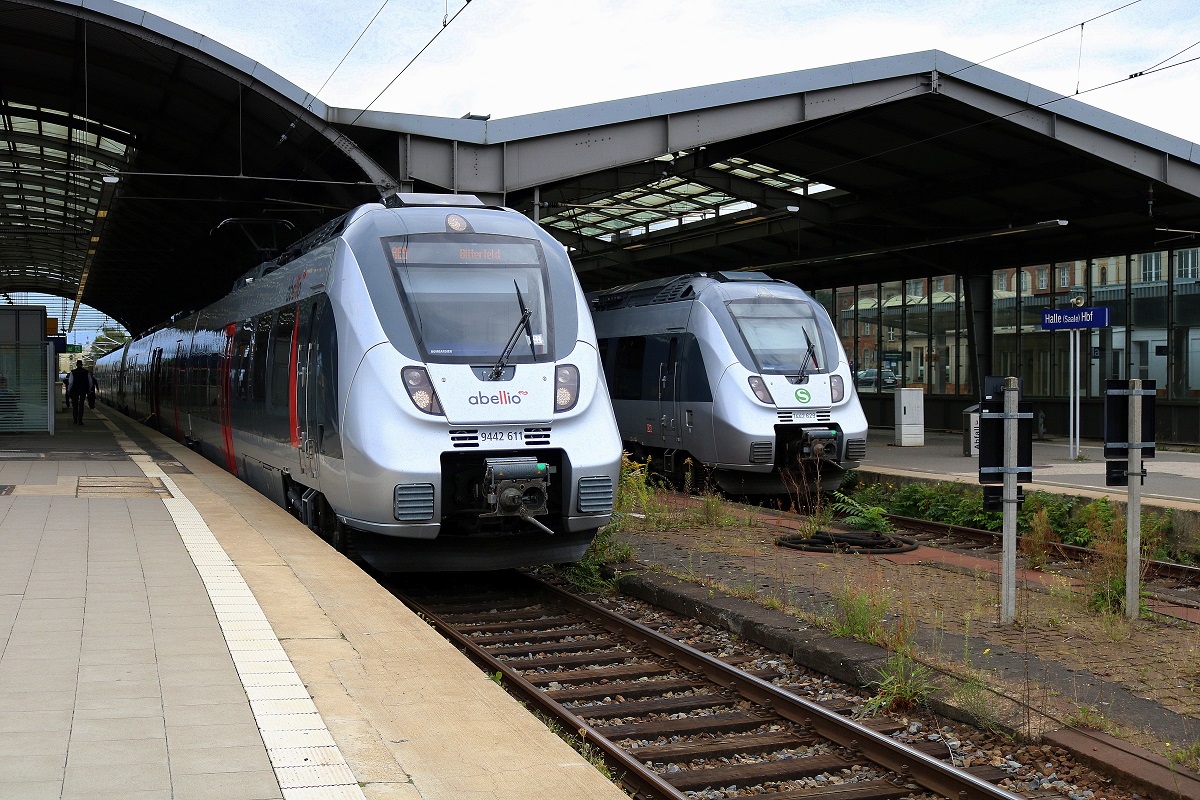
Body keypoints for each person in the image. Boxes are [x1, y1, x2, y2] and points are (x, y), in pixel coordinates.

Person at [66, 360, 94, 425]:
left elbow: (70, 382)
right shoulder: (86, 372)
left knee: (75, 405)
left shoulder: (73, 372)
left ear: (76, 365)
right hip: (83, 390)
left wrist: (69, 390)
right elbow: (90, 382)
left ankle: (75, 420)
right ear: (82, 365)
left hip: (74, 390)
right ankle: (80, 420)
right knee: (81, 404)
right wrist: (89, 390)